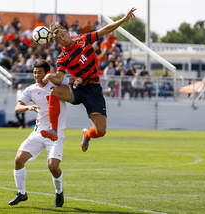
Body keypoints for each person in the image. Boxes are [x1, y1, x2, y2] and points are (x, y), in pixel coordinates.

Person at [39, 7, 137, 152]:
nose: (62, 39)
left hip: (93, 89)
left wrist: (122, 19)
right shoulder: (62, 57)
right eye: (59, 39)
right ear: (58, 43)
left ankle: (87, 134)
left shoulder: (83, 39)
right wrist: (50, 76)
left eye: (62, 35)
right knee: (54, 92)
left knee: (101, 131)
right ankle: (53, 129)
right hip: (78, 89)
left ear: (67, 32)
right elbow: (59, 79)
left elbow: (105, 30)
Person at [8, 59, 81, 207]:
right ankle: (21, 193)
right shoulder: (30, 89)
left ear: (47, 73)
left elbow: (75, 79)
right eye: (35, 72)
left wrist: (78, 80)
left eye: (39, 72)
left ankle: (59, 191)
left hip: (56, 133)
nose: (36, 75)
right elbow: (17, 107)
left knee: (53, 166)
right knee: (18, 159)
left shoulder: (57, 83)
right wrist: (28, 108)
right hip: (38, 132)